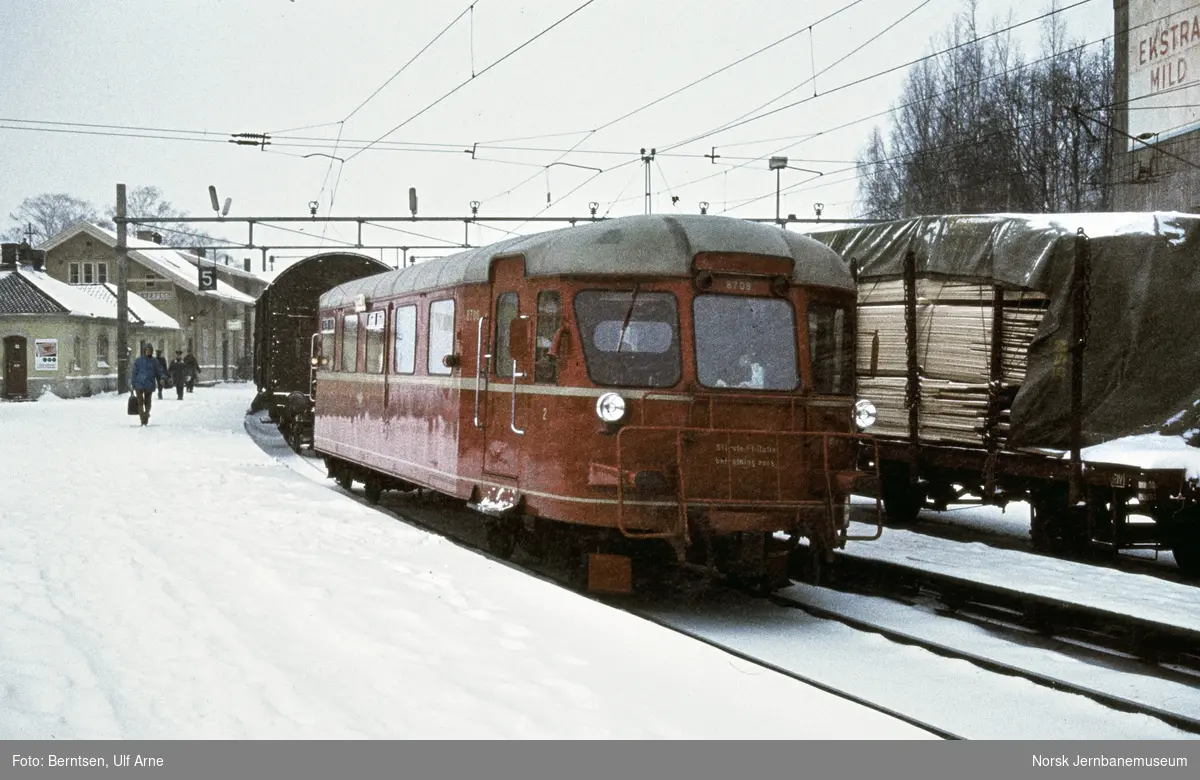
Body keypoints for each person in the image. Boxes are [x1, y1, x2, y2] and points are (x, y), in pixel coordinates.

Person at [130, 344, 167, 426]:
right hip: (139, 384)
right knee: (140, 402)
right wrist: (133, 384)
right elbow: (134, 373)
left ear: (151, 351)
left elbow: (160, 371)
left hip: (149, 385)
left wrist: (163, 378)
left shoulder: (154, 361)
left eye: (149, 350)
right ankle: (142, 419)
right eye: (146, 350)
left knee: (148, 403)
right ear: (144, 351)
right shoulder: (138, 360)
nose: (148, 352)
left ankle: (145, 416)